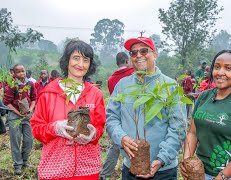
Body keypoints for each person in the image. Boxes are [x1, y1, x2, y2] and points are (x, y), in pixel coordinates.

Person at [106, 36, 187, 179]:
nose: (138, 56)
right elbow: (112, 118)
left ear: (154, 54)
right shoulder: (123, 85)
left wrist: (162, 159)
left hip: (163, 170)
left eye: (144, 51)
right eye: (133, 53)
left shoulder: (170, 86)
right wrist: (122, 137)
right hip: (130, 167)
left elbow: (178, 128)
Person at [30, 39, 106, 180]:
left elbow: (100, 126)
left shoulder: (95, 94)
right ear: (67, 60)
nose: (81, 64)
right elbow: (36, 129)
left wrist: (93, 134)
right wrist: (55, 128)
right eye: (76, 58)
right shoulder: (49, 93)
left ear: (90, 65)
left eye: (86, 60)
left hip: (88, 168)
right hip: (55, 168)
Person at [181, 50, 231, 180]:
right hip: (200, 173)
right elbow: (193, 133)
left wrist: (221, 177)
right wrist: (187, 160)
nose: (220, 72)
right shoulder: (204, 97)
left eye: (228, 68)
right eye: (217, 67)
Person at [100, 52, 135, 180]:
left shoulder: (111, 79)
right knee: (136, 143)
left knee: (116, 145)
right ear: (127, 61)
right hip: (134, 116)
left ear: (117, 63)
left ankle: (105, 174)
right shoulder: (134, 73)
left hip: (117, 117)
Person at [3, 64, 36, 175]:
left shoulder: (30, 84)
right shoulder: (12, 86)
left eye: (23, 71)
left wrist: (30, 111)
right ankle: (18, 164)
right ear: (14, 74)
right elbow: (7, 102)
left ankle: (25, 160)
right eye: (19, 72)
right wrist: (18, 113)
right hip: (14, 117)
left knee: (29, 140)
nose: (22, 73)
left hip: (27, 117)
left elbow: (33, 99)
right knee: (16, 141)